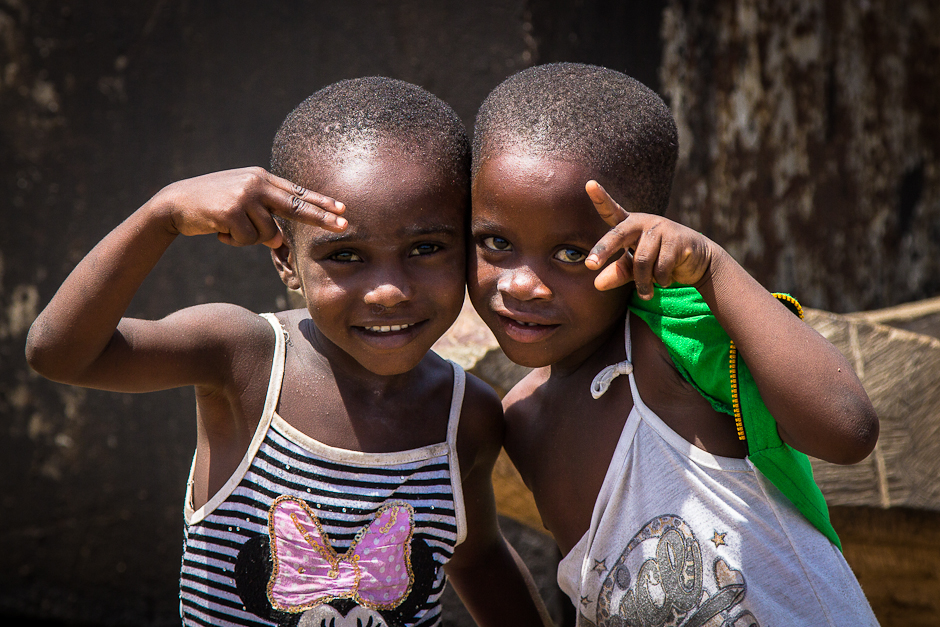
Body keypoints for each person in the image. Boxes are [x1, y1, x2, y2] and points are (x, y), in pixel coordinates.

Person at [26, 77, 552, 627]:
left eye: (425, 248)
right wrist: (162, 215)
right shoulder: (244, 358)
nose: (389, 291)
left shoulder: (467, 414)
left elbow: (476, 555)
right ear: (286, 262)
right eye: (345, 255)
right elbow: (58, 355)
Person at [467, 62, 881, 625]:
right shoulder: (522, 423)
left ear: (637, 236)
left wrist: (712, 266)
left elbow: (849, 431)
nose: (522, 284)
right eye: (495, 242)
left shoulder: (671, 337)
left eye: (570, 253)